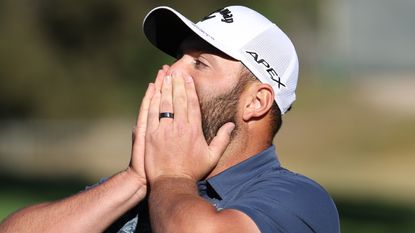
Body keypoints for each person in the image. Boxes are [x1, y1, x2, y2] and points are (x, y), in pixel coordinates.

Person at [0, 5, 340, 233]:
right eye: (178, 58)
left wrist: (172, 176)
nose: (171, 71)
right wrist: (134, 180)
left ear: (256, 101)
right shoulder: (145, 185)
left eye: (199, 63)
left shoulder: (299, 200)